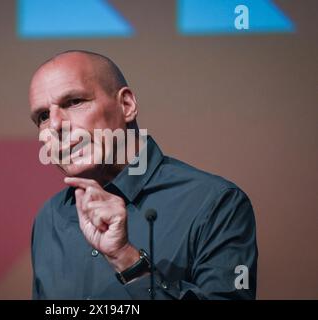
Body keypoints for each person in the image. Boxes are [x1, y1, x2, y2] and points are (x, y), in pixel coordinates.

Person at [29, 50, 258, 299]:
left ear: (126, 105)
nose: (55, 126)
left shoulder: (216, 203)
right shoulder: (50, 217)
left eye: (74, 102)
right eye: (42, 116)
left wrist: (127, 260)